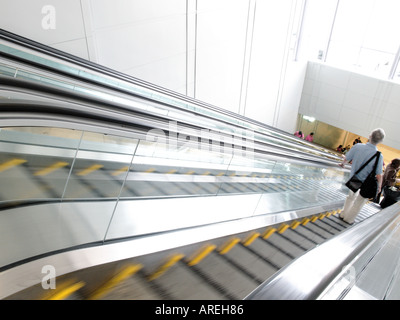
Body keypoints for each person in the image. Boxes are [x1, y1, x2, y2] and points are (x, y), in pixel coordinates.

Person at [338, 128, 385, 224]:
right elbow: (379, 174)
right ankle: (349, 219)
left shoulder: (358, 146)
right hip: (367, 183)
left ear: (370, 136)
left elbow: (347, 158)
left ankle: (343, 214)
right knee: (359, 202)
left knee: (350, 197)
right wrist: (379, 186)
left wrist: (343, 163)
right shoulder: (379, 156)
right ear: (380, 141)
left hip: (354, 178)